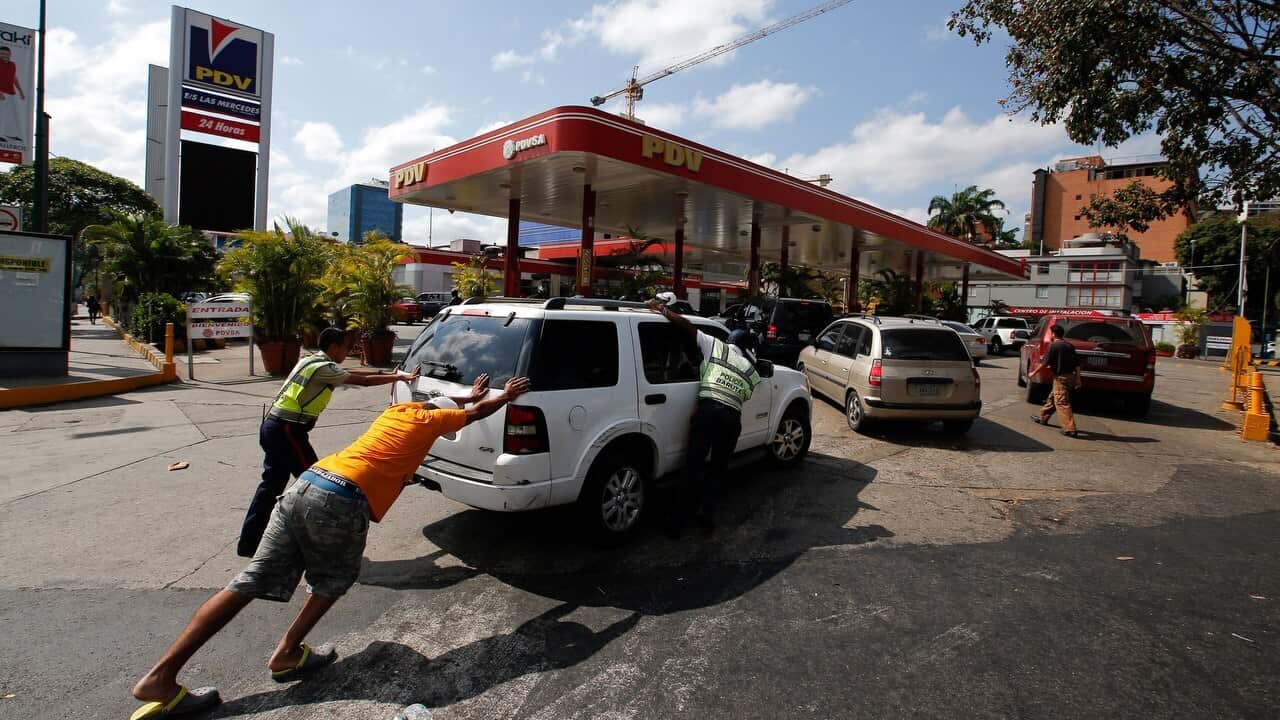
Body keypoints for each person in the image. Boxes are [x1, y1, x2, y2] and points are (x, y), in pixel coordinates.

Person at [128, 373, 531, 718]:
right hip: (341, 499)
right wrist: (503, 397)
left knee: (250, 580)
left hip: (308, 481)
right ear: (438, 413)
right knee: (333, 579)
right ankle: (287, 652)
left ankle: (161, 677)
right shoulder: (431, 422)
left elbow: (452, 404)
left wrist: (467, 394)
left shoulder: (396, 413)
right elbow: (473, 414)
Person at [237, 327, 413, 558]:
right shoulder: (323, 368)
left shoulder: (310, 360)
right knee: (317, 486)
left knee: (271, 486)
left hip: (273, 426)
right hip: (288, 431)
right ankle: (316, 543)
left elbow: (350, 371)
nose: (347, 352)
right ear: (333, 347)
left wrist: (386, 371)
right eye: (345, 348)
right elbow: (362, 380)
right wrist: (397, 377)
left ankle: (250, 543)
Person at [646, 295, 761, 532]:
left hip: (708, 413)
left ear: (730, 341)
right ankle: (706, 515)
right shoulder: (750, 369)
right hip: (731, 420)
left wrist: (663, 311)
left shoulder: (716, 346)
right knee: (717, 469)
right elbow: (746, 395)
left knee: (693, 465)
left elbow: (687, 327)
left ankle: (677, 523)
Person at [1030, 323, 1081, 437]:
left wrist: (1033, 373)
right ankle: (1043, 417)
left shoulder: (1053, 346)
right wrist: (1078, 379)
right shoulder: (1069, 346)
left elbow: (1044, 363)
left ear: (1053, 334)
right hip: (1071, 377)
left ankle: (1069, 429)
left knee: (1062, 402)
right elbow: (1077, 364)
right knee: (1053, 398)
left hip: (1061, 378)